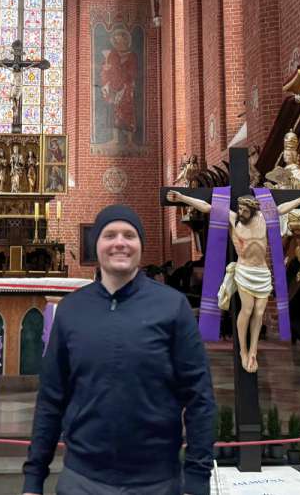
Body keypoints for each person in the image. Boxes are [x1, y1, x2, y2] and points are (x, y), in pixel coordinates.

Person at [22, 205, 215, 495]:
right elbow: (51, 398)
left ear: (140, 245)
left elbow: (199, 396)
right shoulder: (72, 310)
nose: (120, 243)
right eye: (109, 235)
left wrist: (197, 478)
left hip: (156, 481)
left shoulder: (172, 306)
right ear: (96, 244)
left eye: (129, 235)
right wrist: (33, 480)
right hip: (82, 479)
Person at [166, 190, 300, 372]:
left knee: (259, 312)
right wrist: (182, 198)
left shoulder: (262, 218)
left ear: (253, 210)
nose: (241, 211)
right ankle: (243, 351)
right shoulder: (233, 218)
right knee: (248, 309)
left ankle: (253, 351)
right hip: (244, 271)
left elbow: (282, 208)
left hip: (262, 272)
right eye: (240, 208)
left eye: (245, 209)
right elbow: (207, 207)